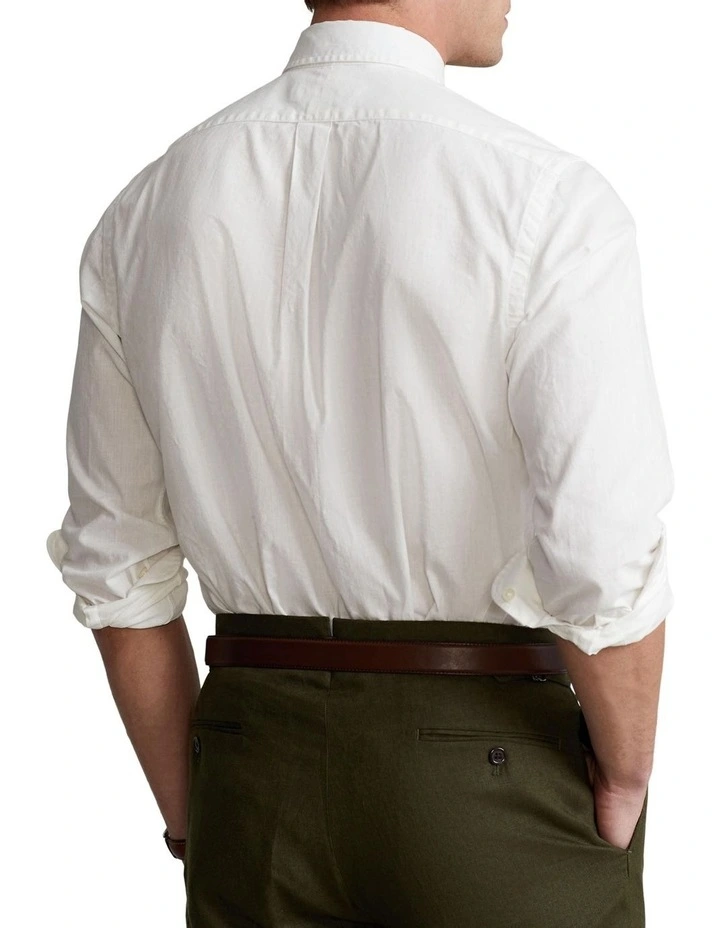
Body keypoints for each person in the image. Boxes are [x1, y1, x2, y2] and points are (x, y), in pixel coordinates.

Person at [46, 1, 674, 925]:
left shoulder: (146, 210)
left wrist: (199, 816)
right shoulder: (542, 199)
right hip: (492, 772)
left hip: (254, 772)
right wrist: (624, 776)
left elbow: (117, 569)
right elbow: (600, 550)